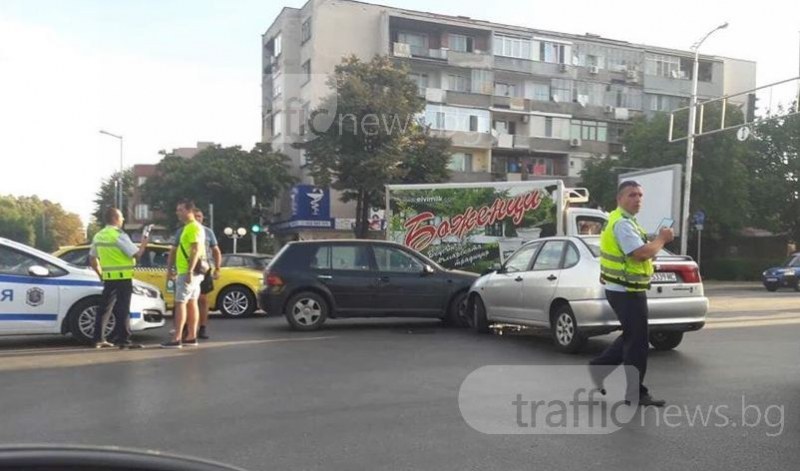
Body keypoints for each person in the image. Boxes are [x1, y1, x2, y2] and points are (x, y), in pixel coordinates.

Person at [589, 180, 674, 407]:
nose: (637, 199)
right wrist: (662, 239)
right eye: (632, 195)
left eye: (640, 195)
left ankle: (599, 367)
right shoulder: (623, 224)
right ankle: (636, 393)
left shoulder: (624, 221)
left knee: (632, 336)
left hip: (624, 288)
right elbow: (640, 253)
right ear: (620, 199)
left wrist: (654, 245)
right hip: (626, 291)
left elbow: (624, 253)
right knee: (638, 343)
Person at [89, 207, 149, 349]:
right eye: (121, 217)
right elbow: (137, 254)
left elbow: (92, 259)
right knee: (123, 309)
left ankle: (98, 339)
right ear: (116, 218)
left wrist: (100, 274)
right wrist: (144, 242)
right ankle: (124, 340)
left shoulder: (98, 235)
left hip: (108, 278)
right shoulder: (119, 235)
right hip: (123, 278)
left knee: (104, 308)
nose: (123, 220)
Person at [166, 209, 221, 339]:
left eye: (200, 216)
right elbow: (173, 251)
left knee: (190, 301)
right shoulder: (182, 230)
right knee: (190, 301)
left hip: (198, 268)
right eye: (196, 216)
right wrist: (170, 268)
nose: (198, 218)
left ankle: (193, 331)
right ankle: (188, 332)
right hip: (190, 269)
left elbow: (211, 250)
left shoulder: (204, 231)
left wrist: (217, 268)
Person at [162, 200, 206, 349]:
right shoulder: (191, 227)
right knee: (192, 302)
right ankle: (191, 336)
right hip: (192, 272)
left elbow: (195, 249)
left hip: (188, 272)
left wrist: (189, 271)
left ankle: (177, 338)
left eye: (180, 210)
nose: (177, 213)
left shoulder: (192, 227)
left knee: (180, 303)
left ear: (189, 211)